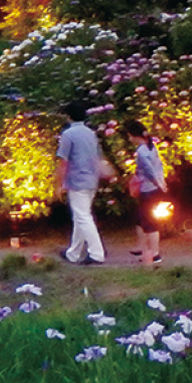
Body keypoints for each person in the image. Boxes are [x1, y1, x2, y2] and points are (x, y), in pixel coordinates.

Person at [55, 101, 115, 265]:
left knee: (82, 217)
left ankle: (96, 253)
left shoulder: (68, 135)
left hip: (76, 180)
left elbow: (63, 161)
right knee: (80, 217)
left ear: (68, 116)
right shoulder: (91, 133)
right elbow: (98, 157)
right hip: (91, 179)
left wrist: (59, 183)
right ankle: (73, 253)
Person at [125, 120, 169, 265]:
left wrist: (158, 182)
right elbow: (159, 166)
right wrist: (162, 182)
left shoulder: (142, 152)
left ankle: (155, 254)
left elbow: (149, 171)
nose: (129, 138)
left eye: (129, 135)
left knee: (150, 222)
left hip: (148, 189)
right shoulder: (151, 147)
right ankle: (143, 248)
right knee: (140, 219)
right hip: (152, 188)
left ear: (134, 136)